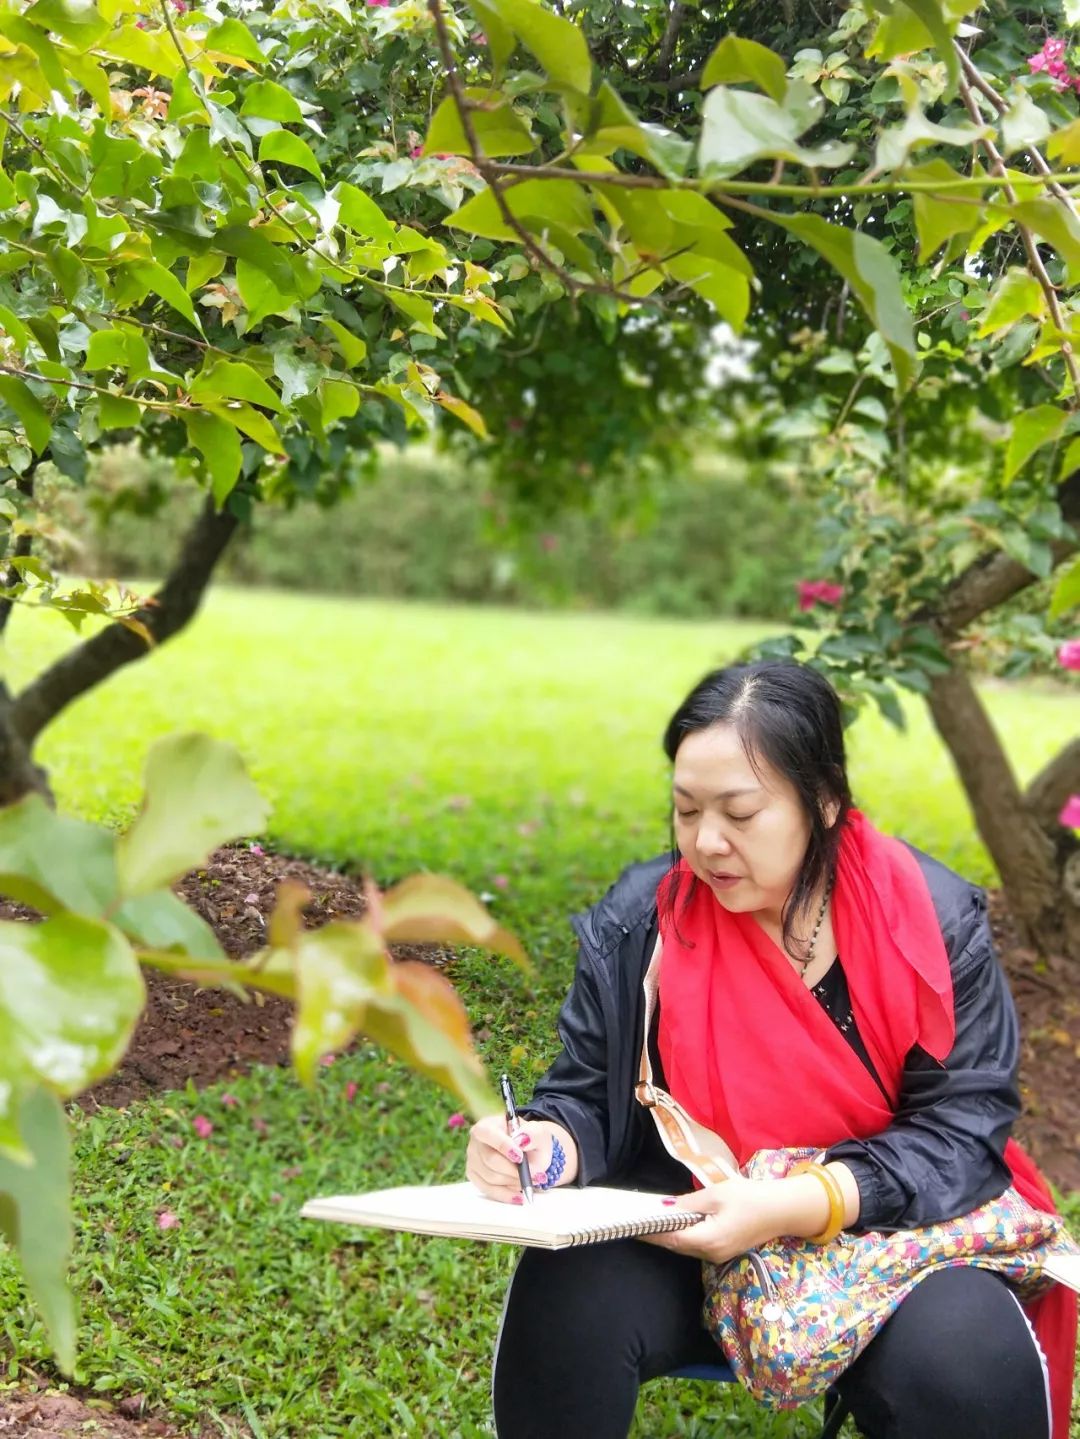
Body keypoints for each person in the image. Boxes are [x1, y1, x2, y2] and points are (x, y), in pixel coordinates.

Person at [465, 661, 1078, 1439]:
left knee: (966, 1363)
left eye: (740, 812)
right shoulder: (643, 922)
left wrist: (791, 1204)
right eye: (686, 809)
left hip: (889, 1232)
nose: (705, 841)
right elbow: (588, 1095)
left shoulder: (932, 919)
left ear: (822, 802)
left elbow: (961, 1129)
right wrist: (543, 1147)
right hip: (696, 1222)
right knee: (566, 1297)